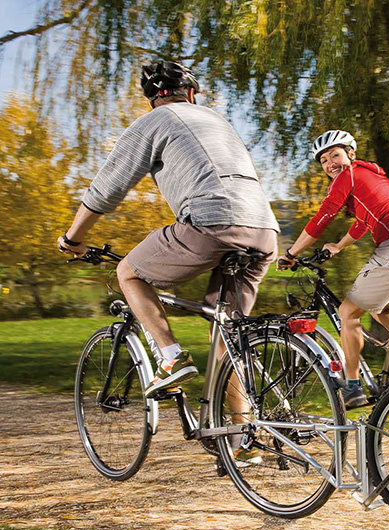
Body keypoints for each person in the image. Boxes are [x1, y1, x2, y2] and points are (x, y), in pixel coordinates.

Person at [57, 61, 279, 397]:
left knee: (129, 272)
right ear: (190, 93)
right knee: (229, 338)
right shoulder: (218, 121)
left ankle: (172, 357)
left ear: (151, 101)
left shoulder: (153, 121)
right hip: (264, 230)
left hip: (211, 222)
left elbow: (107, 189)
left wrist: (73, 238)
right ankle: (241, 442)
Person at [280, 130, 389, 408]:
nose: (331, 164)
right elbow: (364, 222)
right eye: (324, 161)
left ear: (351, 154)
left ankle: (353, 388)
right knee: (382, 311)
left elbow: (322, 217)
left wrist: (292, 253)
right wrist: (339, 245)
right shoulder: (372, 176)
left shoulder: (348, 175)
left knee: (348, 312)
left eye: (336, 155)